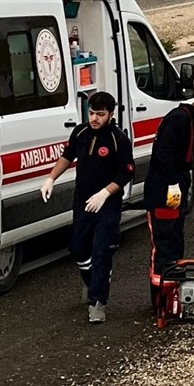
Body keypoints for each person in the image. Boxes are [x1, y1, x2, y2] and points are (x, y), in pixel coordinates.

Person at [41, 91, 134, 324]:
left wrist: (105, 193)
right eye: (91, 113)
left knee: (102, 250)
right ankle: (92, 282)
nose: (94, 118)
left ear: (111, 115)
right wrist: (50, 178)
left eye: (100, 114)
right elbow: (67, 155)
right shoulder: (80, 132)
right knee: (78, 248)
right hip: (82, 200)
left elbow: (126, 173)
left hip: (107, 203)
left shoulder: (118, 140)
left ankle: (97, 302)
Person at [142, 90, 194, 309]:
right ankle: (160, 299)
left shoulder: (186, 120)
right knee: (164, 247)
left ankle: (169, 295)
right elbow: (165, 154)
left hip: (171, 195)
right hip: (164, 196)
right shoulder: (179, 120)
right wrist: (172, 184)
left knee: (173, 244)